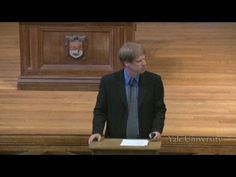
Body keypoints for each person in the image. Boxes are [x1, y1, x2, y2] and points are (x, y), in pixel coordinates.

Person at [88, 42, 166, 144]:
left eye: (144, 59)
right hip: (116, 141)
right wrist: (97, 131)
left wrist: (156, 130)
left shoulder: (154, 81)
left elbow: (159, 109)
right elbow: (100, 110)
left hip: (146, 140)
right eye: (139, 61)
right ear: (127, 63)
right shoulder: (108, 82)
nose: (144, 63)